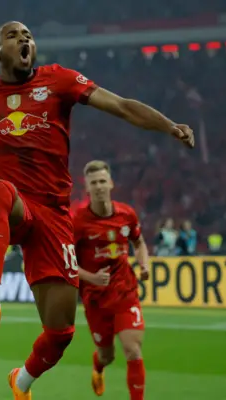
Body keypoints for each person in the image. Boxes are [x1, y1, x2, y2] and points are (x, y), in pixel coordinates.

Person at [0, 21, 193, 400]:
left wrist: (169, 126)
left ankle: (20, 382)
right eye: (13, 35)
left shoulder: (59, 80)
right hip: (17, 207)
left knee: (61, 334)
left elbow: (121, 105)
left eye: (28, 35)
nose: (25, 39)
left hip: (55, 217)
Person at [74, 160, 150, 399]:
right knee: (107, 355)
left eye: (102, 181)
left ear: (111, 184)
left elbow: (139, 242)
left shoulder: (126, 214)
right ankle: (98, 367)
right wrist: (91, 278)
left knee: (133, 350)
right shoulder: (77, 222)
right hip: (95, 299)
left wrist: (144, 263)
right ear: (87, 188)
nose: (99, 187)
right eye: (94, 183)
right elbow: (65, 262)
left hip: (125, 291)